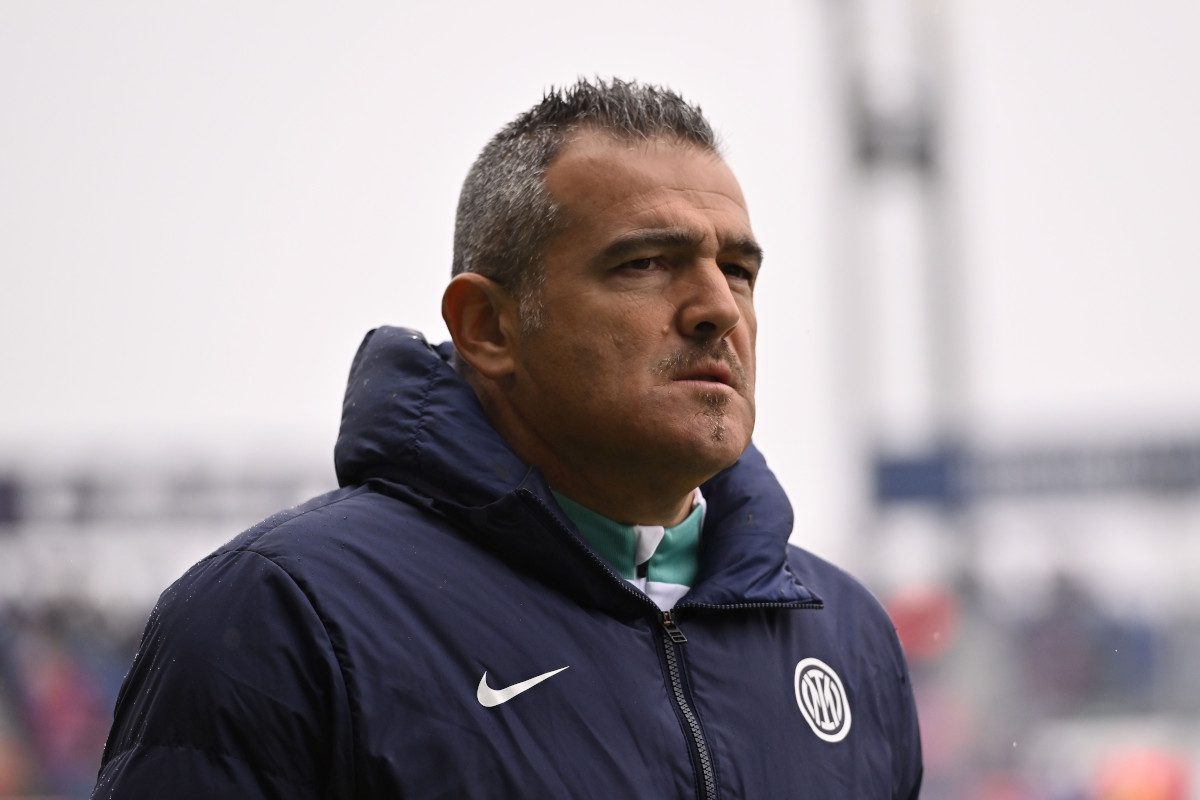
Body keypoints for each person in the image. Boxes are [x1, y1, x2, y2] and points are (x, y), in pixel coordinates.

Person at [93, 78, 922, 799]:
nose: (718, 308)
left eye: (738, 270)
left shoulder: (845, 635)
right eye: (645, 263)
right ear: (487, 326)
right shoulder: (285, 614)